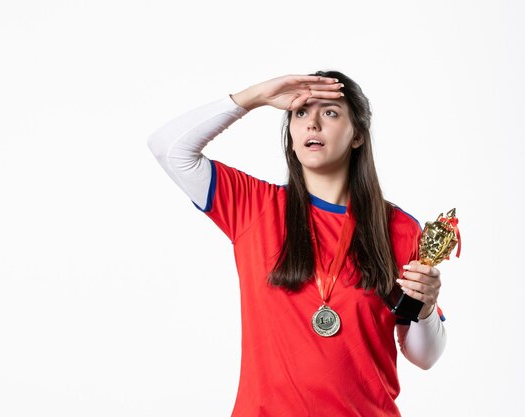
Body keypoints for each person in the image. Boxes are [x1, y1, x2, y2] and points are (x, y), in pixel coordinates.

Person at [147, 71, 447, 417]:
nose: (312, 124)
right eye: (300, 113)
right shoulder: (254, 206)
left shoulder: (397, 228)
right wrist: (255, 96)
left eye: (330, 113)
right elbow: (168, 147)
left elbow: (424, 357)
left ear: (358, 137)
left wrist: (425, 307)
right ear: (290, 135)